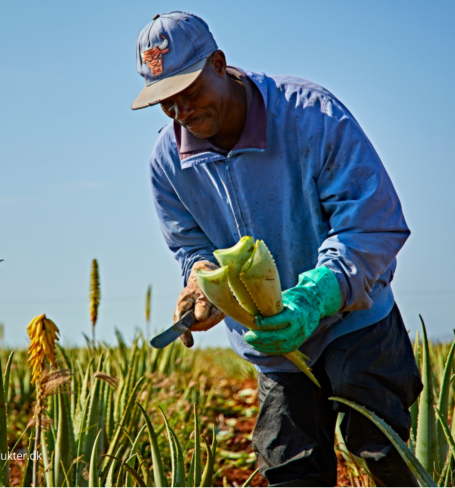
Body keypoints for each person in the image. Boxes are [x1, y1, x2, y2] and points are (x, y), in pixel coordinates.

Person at [131, 11, 422, 487]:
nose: (181, 111)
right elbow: (190, 243)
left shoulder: (311, 116)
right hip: (271, 343)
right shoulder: (167, 162)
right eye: (166, 103)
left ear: (219, 64)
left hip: (356, 318)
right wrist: (202, 284)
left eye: (190, 91)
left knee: (381, 451)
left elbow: (372, 223)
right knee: (290, 468)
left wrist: (313, 297)